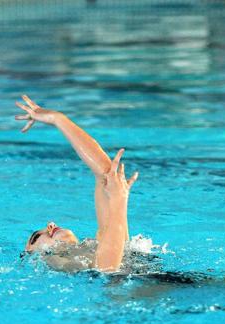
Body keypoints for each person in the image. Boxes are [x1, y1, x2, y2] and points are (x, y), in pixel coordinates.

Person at [15, 95, 138, 273]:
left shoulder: (102, 244)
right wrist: (118, 200)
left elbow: (105, 174)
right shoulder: (55, 261)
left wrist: (58, 119)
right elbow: (107, 271)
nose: (51, 224)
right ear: (34, 257)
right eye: (35, 237)